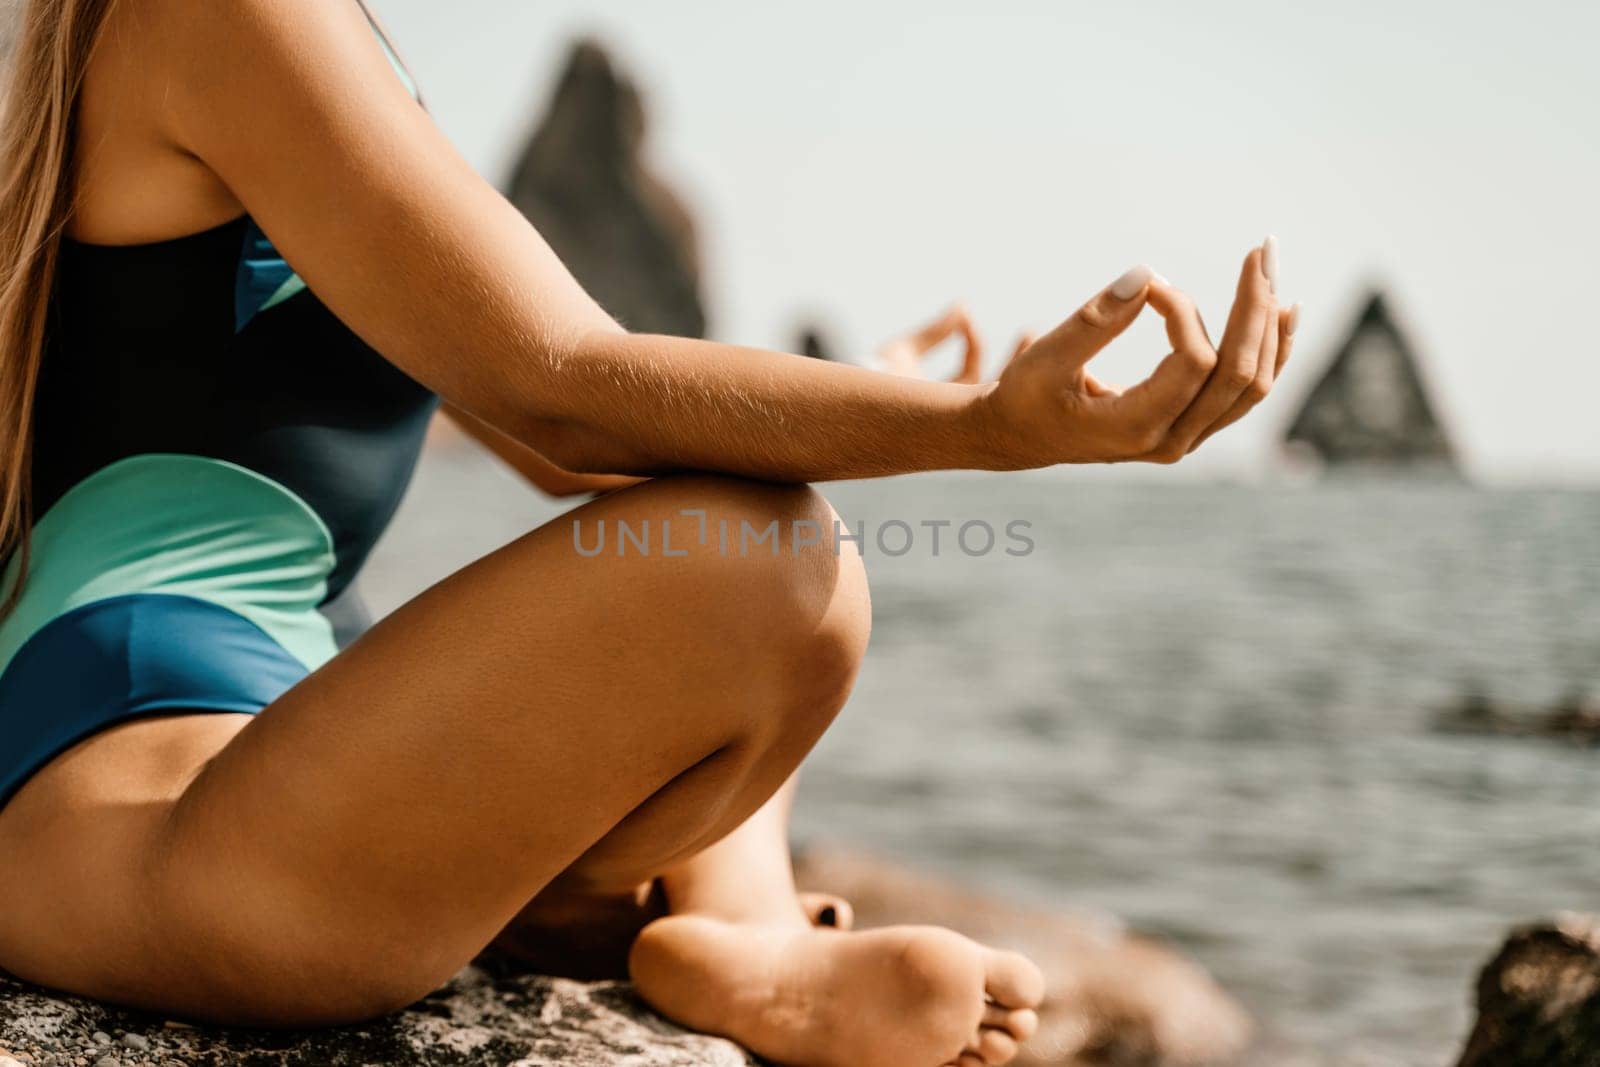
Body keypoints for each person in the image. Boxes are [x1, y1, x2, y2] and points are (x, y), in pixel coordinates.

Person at [0, 2, 1298, 1065]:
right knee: (756, 558)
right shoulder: (230, 12)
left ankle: (730, 934)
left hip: (257, 779)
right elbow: (566, 397)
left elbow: (572, 442)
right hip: (148, 822)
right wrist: (989, 426)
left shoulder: (306, 38)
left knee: (721, 531)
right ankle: (733, 926)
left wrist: (873, 397)